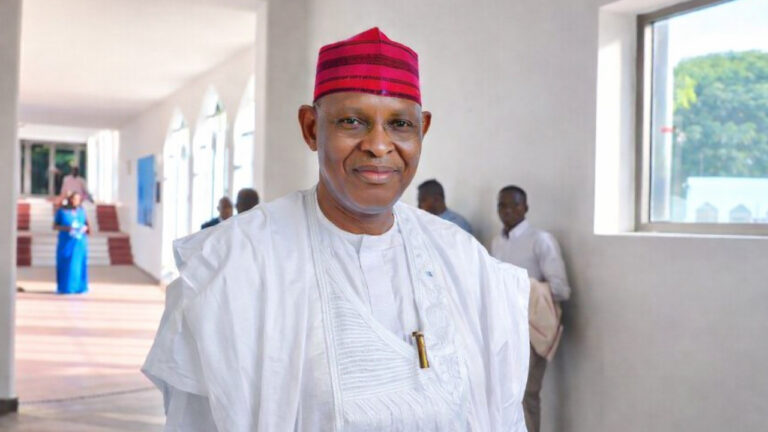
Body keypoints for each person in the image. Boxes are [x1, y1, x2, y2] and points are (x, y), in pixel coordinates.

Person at [143, 27, 530, 431]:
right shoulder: (237, 264)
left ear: (423, 130)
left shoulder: (463, 260)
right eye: (352, 121)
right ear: (311, 128)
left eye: (400, 124)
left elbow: (503, 414)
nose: (379, 145)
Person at [491, 185, 571, 432]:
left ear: (525, 207)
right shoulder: (497, 242)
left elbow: (561, 289)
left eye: (514, 205)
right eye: (502, 205)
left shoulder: (540, 240)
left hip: (530, 329)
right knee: (503, 394)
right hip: (502, 328)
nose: (508, 210)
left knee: (527, 395)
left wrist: (524, 287)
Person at [53, 192, 89, 294]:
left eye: (77, 199)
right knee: (66, 264)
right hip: (66, 242)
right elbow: (55, 226)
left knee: (78, 265)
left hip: (79, 243)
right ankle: (65, 287)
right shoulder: (62, 211)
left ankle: (79, 287)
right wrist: (67, 228)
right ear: (69, 199)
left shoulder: (81, 211)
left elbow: (86, 224)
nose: (75, 201)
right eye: (73, 199)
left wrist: (85, 229)